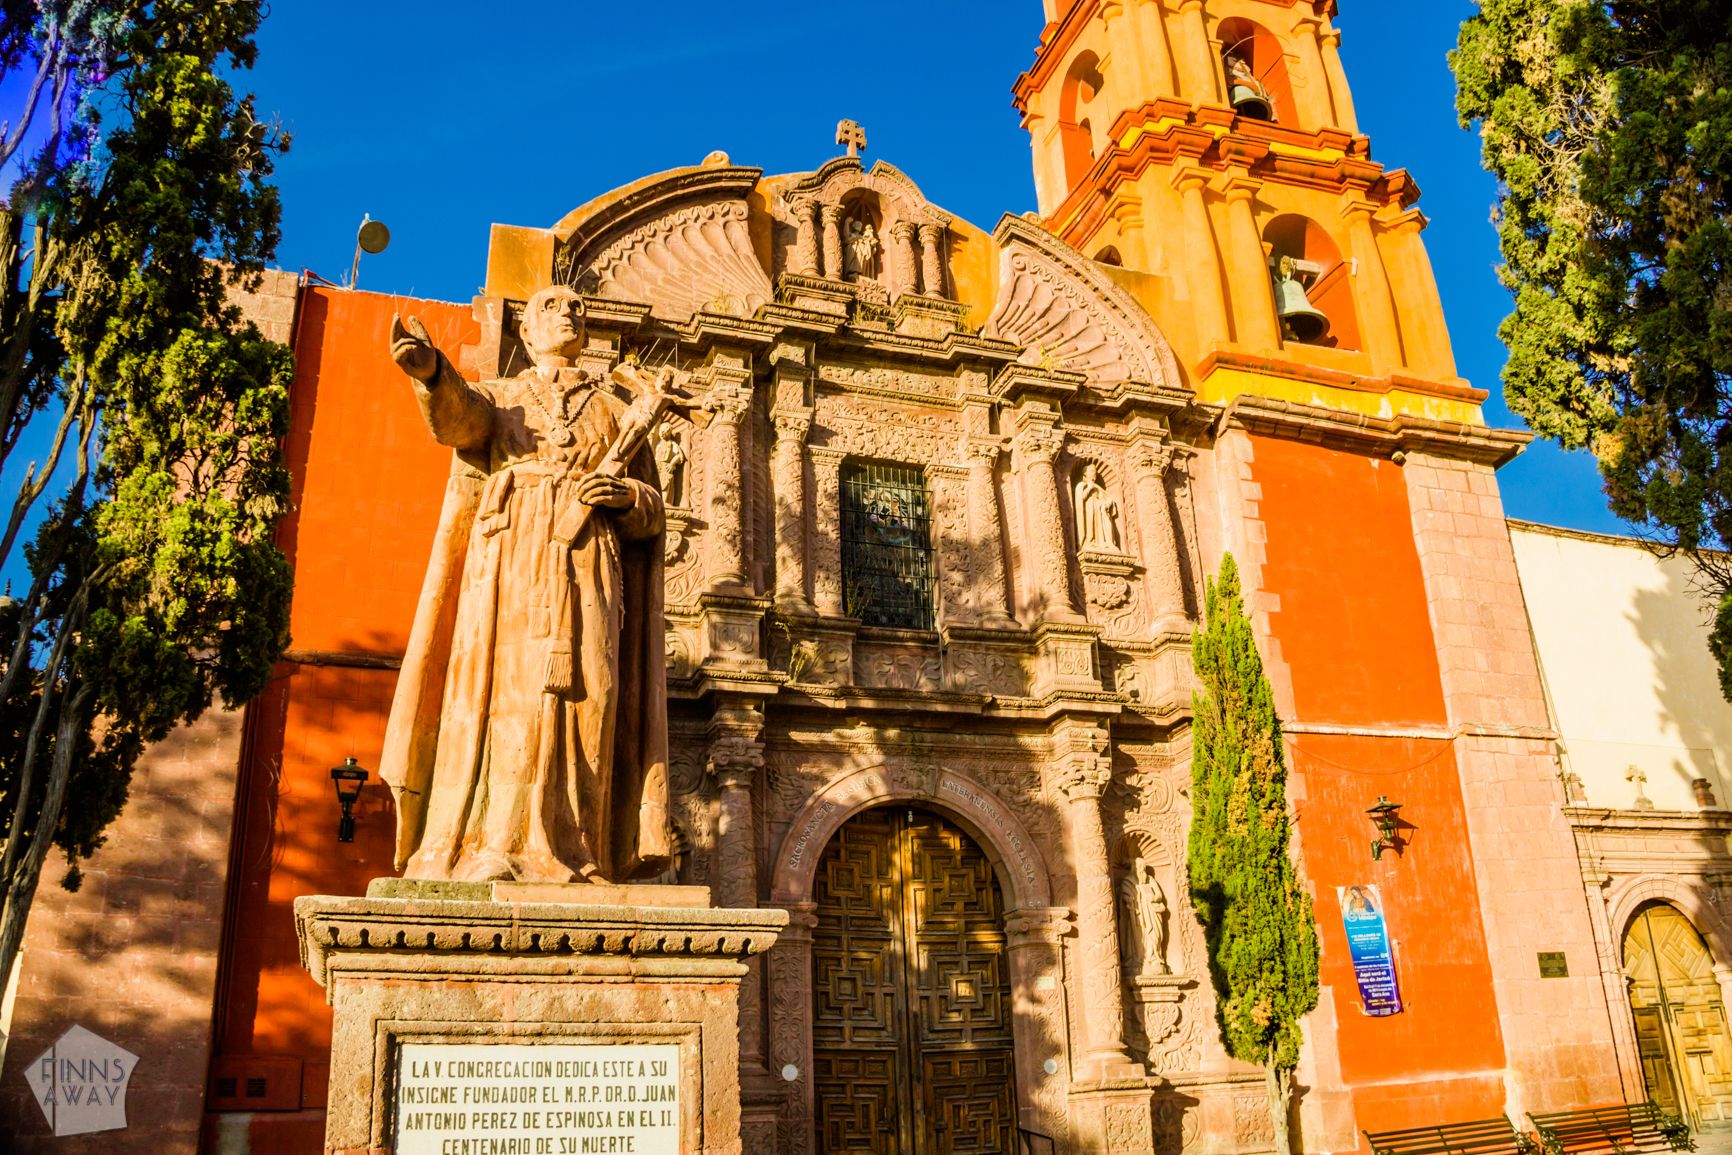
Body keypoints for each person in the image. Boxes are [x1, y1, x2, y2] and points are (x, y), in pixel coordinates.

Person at [379, 285, 671, 884]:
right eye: (550, 307)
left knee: (593, 691)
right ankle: (497, 845)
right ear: (527, 333)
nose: (567, 314)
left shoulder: (615, 408)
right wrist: (431, 373)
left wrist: (624, 495)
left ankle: (581, 850)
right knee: (507, 692)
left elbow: (653, 513)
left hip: (589, 557)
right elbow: (461, 420)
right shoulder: (504, 396)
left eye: (577, 308)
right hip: (511, 556)